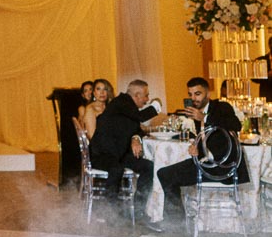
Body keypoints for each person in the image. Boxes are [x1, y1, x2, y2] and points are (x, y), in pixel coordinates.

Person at [156, 76, 248, 224]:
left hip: (223, 167)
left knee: (167, 176)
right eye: (190, 94)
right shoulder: (197, 113)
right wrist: (196, 147)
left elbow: (235, 125)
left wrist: (204, 118)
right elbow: (208, 138)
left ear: (208, 94)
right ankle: (175, 224)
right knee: (164, 173)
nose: (193, 98)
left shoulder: (221, 107)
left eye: (197, 94)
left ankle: (175, 227)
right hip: (206, 163)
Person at [89, 78, 154, 214]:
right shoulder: (121, 102)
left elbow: (137, 128)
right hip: (102, 154)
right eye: (146, 95)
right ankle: (111, 213)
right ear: (137, 95)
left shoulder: (129, 107)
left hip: (120, 153)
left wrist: (135, 138)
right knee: (116, 168)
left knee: (148, 167)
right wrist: (157, 105)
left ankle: (139, 209)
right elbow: (141, 117)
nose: (147, 99)